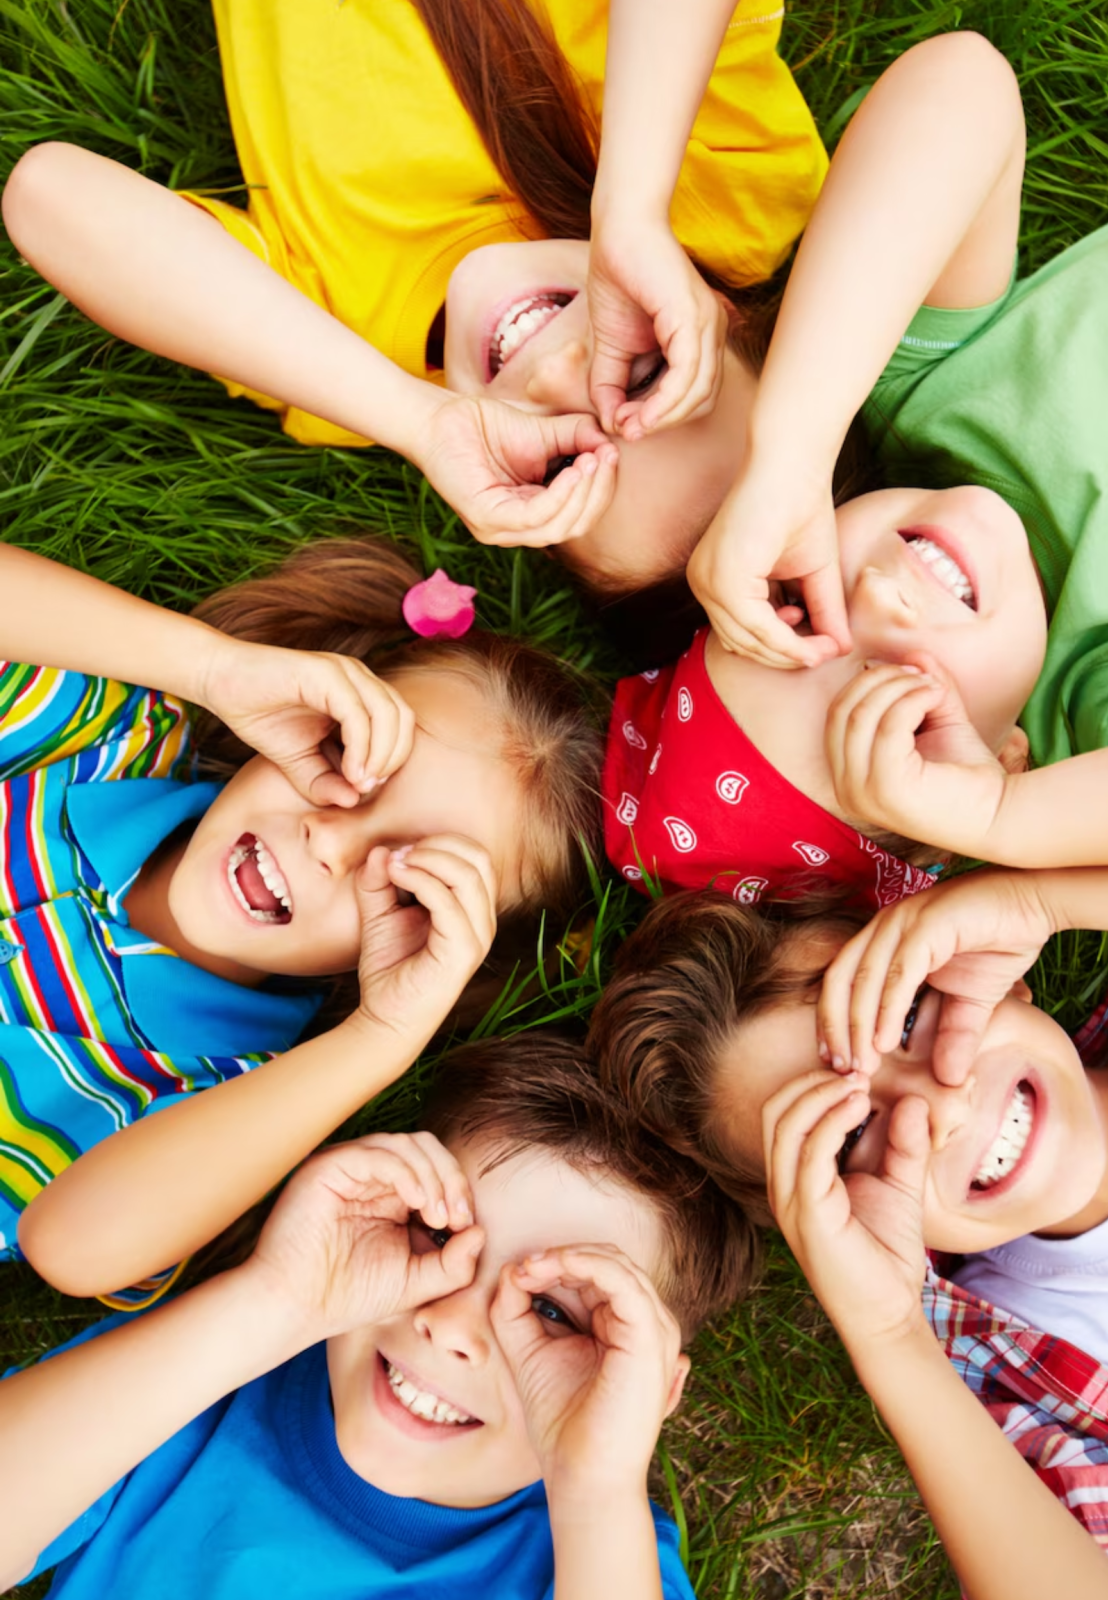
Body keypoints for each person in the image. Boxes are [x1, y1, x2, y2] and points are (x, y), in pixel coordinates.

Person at [609, 27, 1108, 909]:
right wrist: (1008, 822)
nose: (878, 605)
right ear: (998, 759)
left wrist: (793, 451)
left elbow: (962, 85)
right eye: (897, 709)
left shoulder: (916, 400)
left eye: (796, 604)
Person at [0, 0, 827, 586]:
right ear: (723, 312)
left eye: (560, 460)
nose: (549, 379)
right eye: (645, 377)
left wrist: (420, 422)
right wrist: (634, 208)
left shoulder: (347, 365)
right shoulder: (725, 201)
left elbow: (51, 199)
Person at [0, 538, 602, 1289]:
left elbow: (73, 1248)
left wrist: (383, 1038)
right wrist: (215, 669)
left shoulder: (228, 1094)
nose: (332, 840)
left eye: (407, 880)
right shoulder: (110, 742)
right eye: (349, 758)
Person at [589, 867, 1108, 1597]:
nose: (936, 1108)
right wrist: (889, 1334)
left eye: (906, 1019)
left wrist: (1040, 899)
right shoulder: (1016, 1369)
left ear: (987, 966)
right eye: (851, 1138)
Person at [0, 1032, 759, 1599]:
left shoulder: (596, 1558)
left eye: (556, 1314)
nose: (452, 1327)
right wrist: (275, 1300)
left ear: (649, 1392)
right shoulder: (200, 1382)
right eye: (436, 1234)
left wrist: (596, 1491)